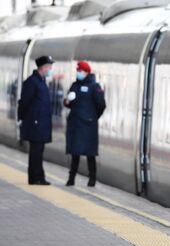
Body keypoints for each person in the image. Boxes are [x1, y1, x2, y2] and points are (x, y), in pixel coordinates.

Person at [63, 61, 106, 187]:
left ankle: (92, 178)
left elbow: (101, 105)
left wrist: (92, 117)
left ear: (86, 72)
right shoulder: (75, 85)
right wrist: (67, 101)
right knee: (75, 152)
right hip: (75, 124)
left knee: (90, 153)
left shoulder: (94, 86)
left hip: (88, 125)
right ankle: (71, 179)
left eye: (80, 71)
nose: (78, 73)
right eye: (78, 71)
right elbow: (68, 103)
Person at [17, 55, 55, 185]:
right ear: (43, 68)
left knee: (38, 151)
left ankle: (36, 178)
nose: (50, 69)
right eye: (49, 67)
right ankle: (37, 178)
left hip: (40, 123)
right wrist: (21, 118)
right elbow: (24, 102)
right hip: (35, 123)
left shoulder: (41, 81)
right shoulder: (32, 82)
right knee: (36, 151)